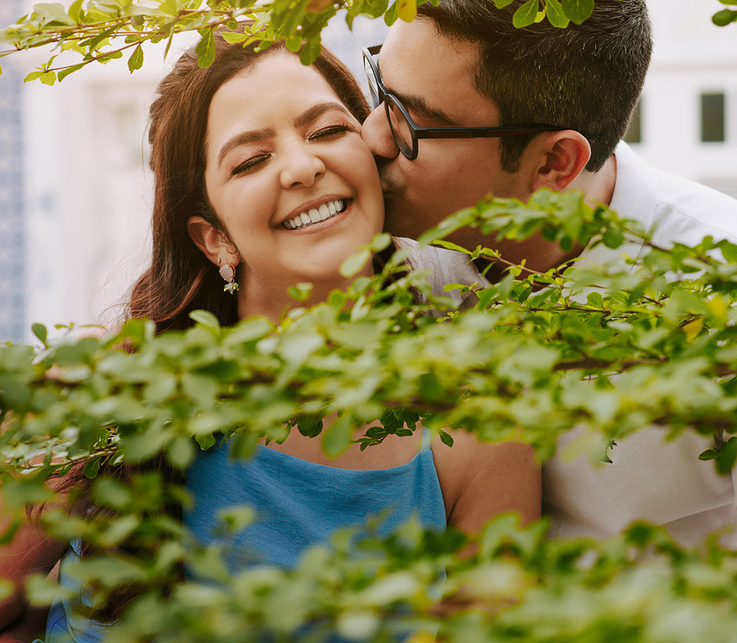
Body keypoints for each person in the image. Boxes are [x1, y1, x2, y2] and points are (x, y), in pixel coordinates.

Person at [359, 0, 737, 637]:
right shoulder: (385, 256)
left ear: (555, 162)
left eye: (410, 121)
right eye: (378, 89)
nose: (371, 137)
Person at [0, 34, 539, 643]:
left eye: (327, 130)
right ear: (214, 238)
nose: (303, 167)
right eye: (251, 160)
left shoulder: (481, 427)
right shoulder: (96, 399)